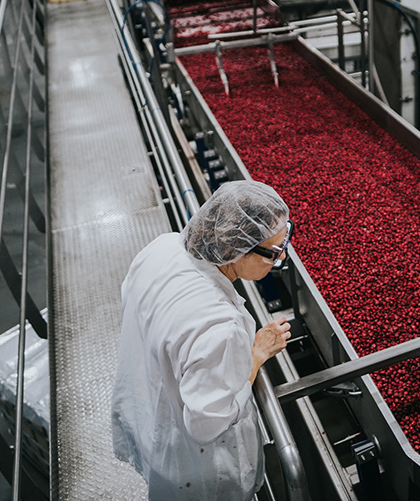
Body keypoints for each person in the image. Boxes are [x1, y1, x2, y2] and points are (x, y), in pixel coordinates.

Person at [111, 180, 293, 500]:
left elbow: (133, 303)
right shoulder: (221, 329)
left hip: (146, 406)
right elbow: (207, 424)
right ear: (230, 250)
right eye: (273, 253)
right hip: (193, 466)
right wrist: (255, 355)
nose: (278, 260)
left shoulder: (164, 246)